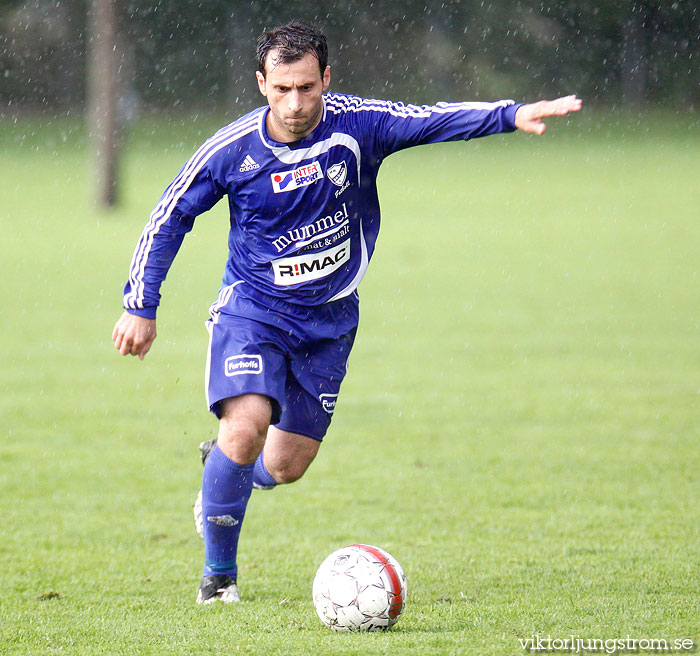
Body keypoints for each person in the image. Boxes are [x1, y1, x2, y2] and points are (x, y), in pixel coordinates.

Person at [112, 20, 582, 604]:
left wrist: (508, 115)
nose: (296, 102)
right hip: (253, 312)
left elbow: (429, 120)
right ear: (262, 83)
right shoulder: (232, 150)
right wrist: (141, 304)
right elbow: (170, 214)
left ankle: (224, 473)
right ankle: (219, 579)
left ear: (326, 79)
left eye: (307, 87)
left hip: (331, 321)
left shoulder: (356, 124)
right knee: (246, 427)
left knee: (284, 465)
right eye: (282, 88)